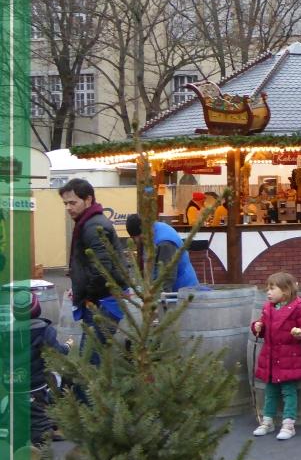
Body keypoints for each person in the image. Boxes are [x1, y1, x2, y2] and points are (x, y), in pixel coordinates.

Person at [59, 178, 129, 352]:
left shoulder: (94, 226)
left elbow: (102, 267)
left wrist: (88, 296)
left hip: (103, 300)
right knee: (94, 352)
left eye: (73, 202)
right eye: (65, 203)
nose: (68, 207)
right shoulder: (88, 222)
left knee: (91, 354)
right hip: (102, 298)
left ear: (88, 200)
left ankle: (91, 380)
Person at [250, 272, 301, 441]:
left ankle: (288, 423)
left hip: (288, 358)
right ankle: (268, 421)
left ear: (285, 291)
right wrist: (257, 327)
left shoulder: (299, 308)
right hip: (270, 356)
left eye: (272, 289)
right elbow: (263, 329)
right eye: (267, 289)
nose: (268, 292)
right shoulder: (268, 308)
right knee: (270, 391)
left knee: (288, 391)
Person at [27, 291, 72, 444]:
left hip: (13, 381)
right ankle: (51, 426)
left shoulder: (7, 332)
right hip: (36, 383)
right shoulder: (44, 330)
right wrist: (67, 346)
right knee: (64, 378)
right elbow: (56, 353)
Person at [125, 214, 200, 292]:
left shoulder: (165, 243)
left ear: (142, 233)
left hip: (183, 292)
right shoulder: (153, 230)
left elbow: (167, 277)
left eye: (135, 238)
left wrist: (160, 301)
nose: (135, 241)